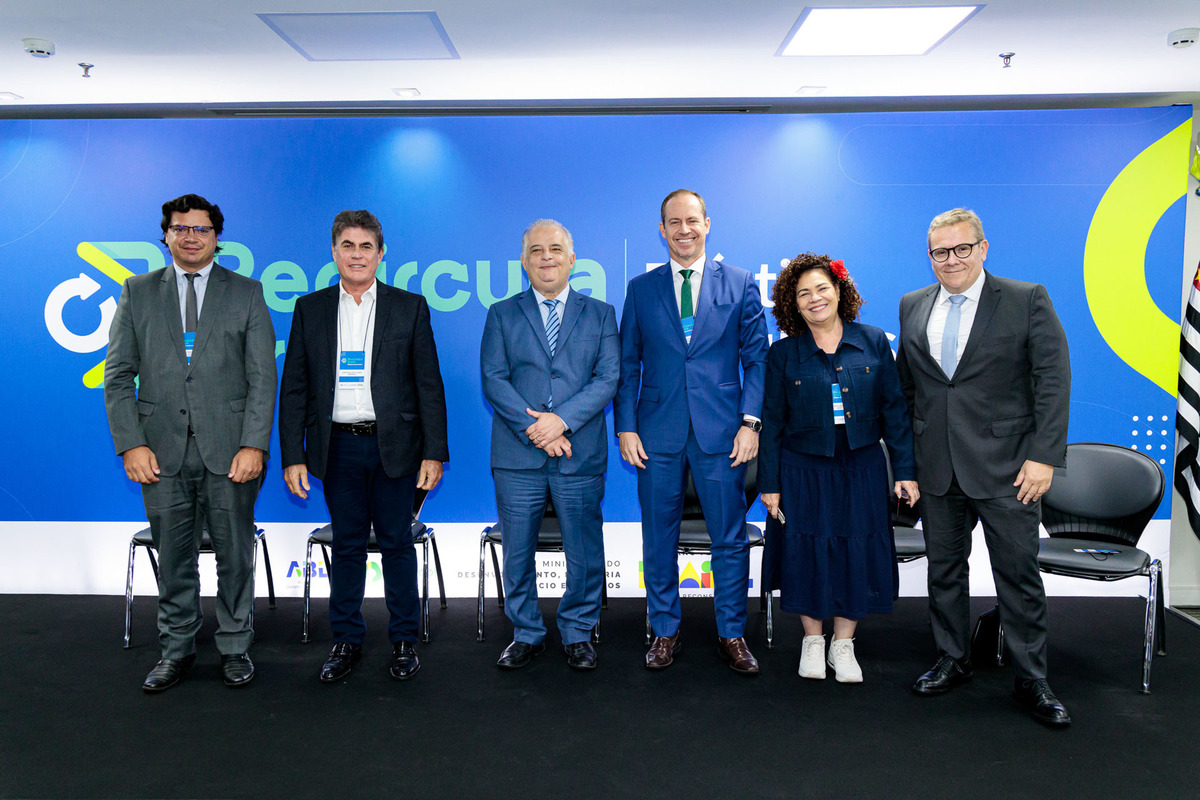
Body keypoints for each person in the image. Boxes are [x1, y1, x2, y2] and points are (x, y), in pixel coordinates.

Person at [896, 208, 1072, 727]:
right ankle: (953, 658)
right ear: (929, 255)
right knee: (944, 572)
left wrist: (1044, 457)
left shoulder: (1025, 298)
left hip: (1009, 468)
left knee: (1017, 575)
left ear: (983, 248)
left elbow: (1052, 380)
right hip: (937, 467)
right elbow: (908, 388)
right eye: (939, 252)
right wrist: (908, 462)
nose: (950, 260)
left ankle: (1031, 678)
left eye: (961, 249)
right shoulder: (912, 304)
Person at [105, 193, 277, 692]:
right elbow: (118, 376)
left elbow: (262, 377)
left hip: (232, 452)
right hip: (159, 454)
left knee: (235, 558)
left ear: (217, 237)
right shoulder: (137, 291)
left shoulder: (246, 292)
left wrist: (254, 445)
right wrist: (131, 444)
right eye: (180, 228)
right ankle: (176, 650)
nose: (191, 237)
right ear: (166, 236)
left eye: (201, 229)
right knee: (174, 560)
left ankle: (235, 648)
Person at [279, 209, 448, 684]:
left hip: (396, 447)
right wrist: (293, 454)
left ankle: (403, 640)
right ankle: (346, 641)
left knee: (397, 543)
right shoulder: (310, 309)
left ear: (381, 253)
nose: (357, 255)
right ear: (334, 252)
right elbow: (294, 387)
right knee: (348, 545)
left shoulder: (409, 307)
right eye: (348, 246)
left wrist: (434, 451)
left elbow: (429, 384)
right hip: (337, 447)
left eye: (366, 246)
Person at [615, 189, 769, 674]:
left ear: (707, 224)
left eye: (692, 221)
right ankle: (665, 631)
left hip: (722, 433)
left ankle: (731, 633)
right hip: (655, 434)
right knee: (657, 538)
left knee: (729, 538)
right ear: (662, 230)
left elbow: (757, 359)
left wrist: (750, 422)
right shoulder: (641, 289)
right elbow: (627, 365)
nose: (684, 230)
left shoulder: (740, 283)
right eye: (674, 222)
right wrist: (625, 427)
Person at [758, 255, 919, 683]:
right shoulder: (783, 353)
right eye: (803, 293)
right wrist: (769, 483)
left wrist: (905, 470)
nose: (814, 299)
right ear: (792, 304)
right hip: (802, 469)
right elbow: (772, 421)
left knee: (856, 549)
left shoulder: (872, 341)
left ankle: (844, 644)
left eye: (821, 288)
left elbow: (895, 412)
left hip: (862, 466)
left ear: (839, 290)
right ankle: (813, 641)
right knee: (805, 550)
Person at [480, 219, 619, 670]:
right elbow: (493, 379)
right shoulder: (501, 313)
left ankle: (577, 631)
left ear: (571, 259)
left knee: (584, 550)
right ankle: (526, 632)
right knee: (517, 551)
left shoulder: (601, 313)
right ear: (524, 261)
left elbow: (608, 378)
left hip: (579, 452)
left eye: (555, 249)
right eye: (536, 250)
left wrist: (561, 422)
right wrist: (537, 429)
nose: (546, 257)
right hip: (517, 454)